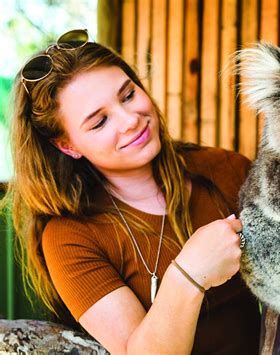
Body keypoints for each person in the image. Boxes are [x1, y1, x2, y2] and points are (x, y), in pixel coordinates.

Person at [2, 29, 260, 353]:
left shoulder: (226, 169)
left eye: (128, 95)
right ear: (67, 145)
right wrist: (189, 275)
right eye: (99, 122)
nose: (130, 120)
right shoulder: (70, 237)